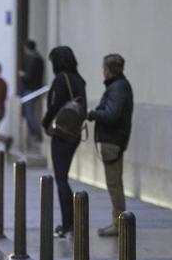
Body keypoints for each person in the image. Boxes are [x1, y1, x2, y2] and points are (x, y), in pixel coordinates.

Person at [42, 46, 87, 238]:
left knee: (61, 179)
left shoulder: (61, 79)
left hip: (61, 133)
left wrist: (45, 122)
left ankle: (68, 223)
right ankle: (71, 222)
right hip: (74, 133)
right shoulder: (79, 79)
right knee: (63, 177)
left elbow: (55, 105)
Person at [87, 54, 133, 237]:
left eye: (103, 67)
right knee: (115, 183)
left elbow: (112, 114)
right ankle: (118, 221)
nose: (102, 71)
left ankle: (119, 223)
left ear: (108, 69)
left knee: (114, 184)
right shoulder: (119, 86)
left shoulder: (117, 87)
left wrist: (92, 114)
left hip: (112, 141)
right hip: (113, 140)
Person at [19, 40, 44, 143]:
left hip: (30, 89)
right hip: (36, 88)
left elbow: (28, 76)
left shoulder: (31, 60)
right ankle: (34, 135)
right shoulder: (40, 59)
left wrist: (22, 75)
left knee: (29, 113)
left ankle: (36, 134)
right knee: (30, 112)